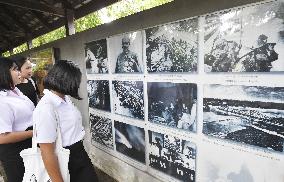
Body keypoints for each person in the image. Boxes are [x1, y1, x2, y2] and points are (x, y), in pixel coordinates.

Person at [33, 60, 98, 182]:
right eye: (75, 81)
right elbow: (46, 150)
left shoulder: (65, 99)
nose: (77, 84)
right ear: (64, 80)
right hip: (65, 158)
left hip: (79, 153)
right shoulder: (46, 107)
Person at [0, 57, 34, 182]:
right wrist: (34, 132)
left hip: (28, 144)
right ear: (3, 73)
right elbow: (2, 137)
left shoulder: (15, 90)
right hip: (15, 151)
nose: (19, 72)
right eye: (15, 69)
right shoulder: (1, 100)